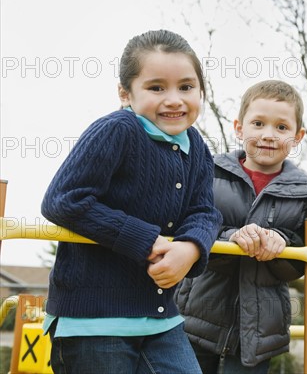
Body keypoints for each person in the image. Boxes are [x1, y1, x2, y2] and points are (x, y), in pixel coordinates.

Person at [40, 29, 222, 373]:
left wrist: (191, 248)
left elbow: (204, 211)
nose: (174, 99)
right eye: (156, 88)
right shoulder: (117, 130)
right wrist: (143, 239)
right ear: (126, 93)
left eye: (186, 87)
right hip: (94, 322)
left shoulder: (196, 145)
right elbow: (63, 200)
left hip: (160, 321)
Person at [175, 79, 307, 373]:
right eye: (258, 123)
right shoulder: (207, 172)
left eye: (281, 128)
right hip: (193, 317)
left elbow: (306, 261)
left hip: (260, 331)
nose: (268, 135)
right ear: (239, 127)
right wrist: (233, 238)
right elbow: (187, 227)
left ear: (298, 136)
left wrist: (280, 243)